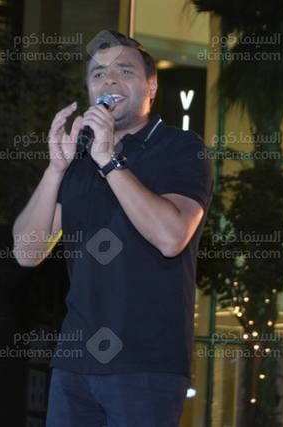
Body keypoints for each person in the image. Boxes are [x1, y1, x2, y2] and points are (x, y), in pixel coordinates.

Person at [12, 29, 214, 427]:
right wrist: (55, 170)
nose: (110, 81)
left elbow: (172, 237)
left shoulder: (182, 148)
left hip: (147, 364)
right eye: (99, 73)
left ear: (151, 86)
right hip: (74, 364)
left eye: (125, 71)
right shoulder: (78, 160)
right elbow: (26, 252)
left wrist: (108, 160)